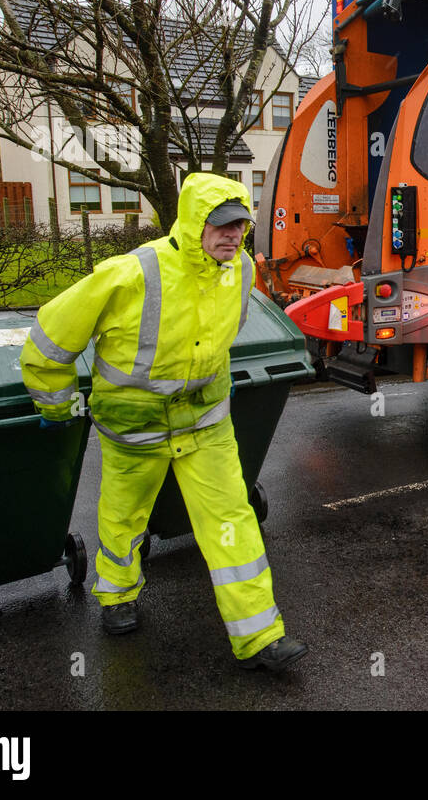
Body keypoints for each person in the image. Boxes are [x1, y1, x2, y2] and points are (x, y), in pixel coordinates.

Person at [21, 172, 307, 672]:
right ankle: (116, 598)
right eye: (221, 226)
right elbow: (50, 338)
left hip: (205, 423)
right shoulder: (131, 273)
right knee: (123, 517)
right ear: (194, 223)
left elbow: (223, 333)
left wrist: (210, 376)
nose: (233, 235)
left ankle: (261, 635)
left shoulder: (240, 269)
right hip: (135, 428)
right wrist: (55, 404)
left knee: (231, 521)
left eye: (240, 225)